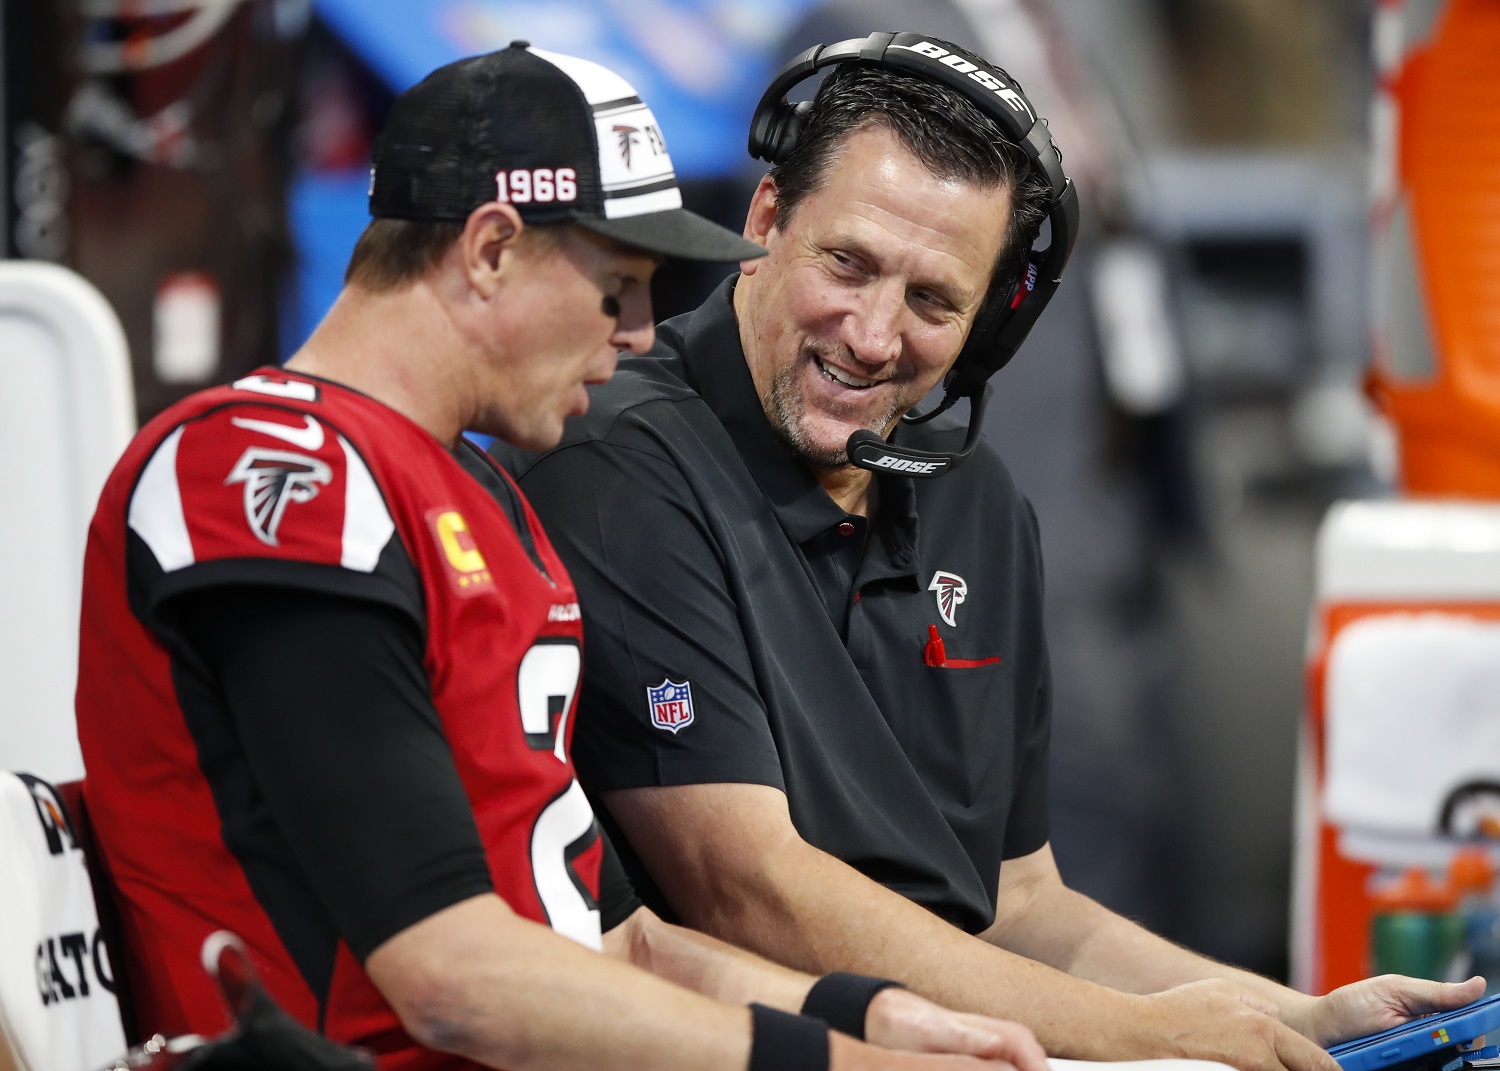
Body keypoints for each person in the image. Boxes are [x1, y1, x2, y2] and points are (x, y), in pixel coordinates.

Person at [495, 31, 1484, 1071]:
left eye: (932, 301)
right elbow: (747, 889)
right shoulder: (616, 460)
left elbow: (1022, 903)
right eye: (848, 264)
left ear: (992, 328)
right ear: (767, 218)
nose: (873, 336)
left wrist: (1291, 1015)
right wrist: (1144, 1036)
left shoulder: (979, 501)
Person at [73, 42, 1056, 1071]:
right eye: (615, 288)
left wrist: (869, 1016)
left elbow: (621, 936)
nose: (638, 334)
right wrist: (834, 1064)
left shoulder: (485, 494)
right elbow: (455, 982)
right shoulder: (260, 476)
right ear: (492, 249)